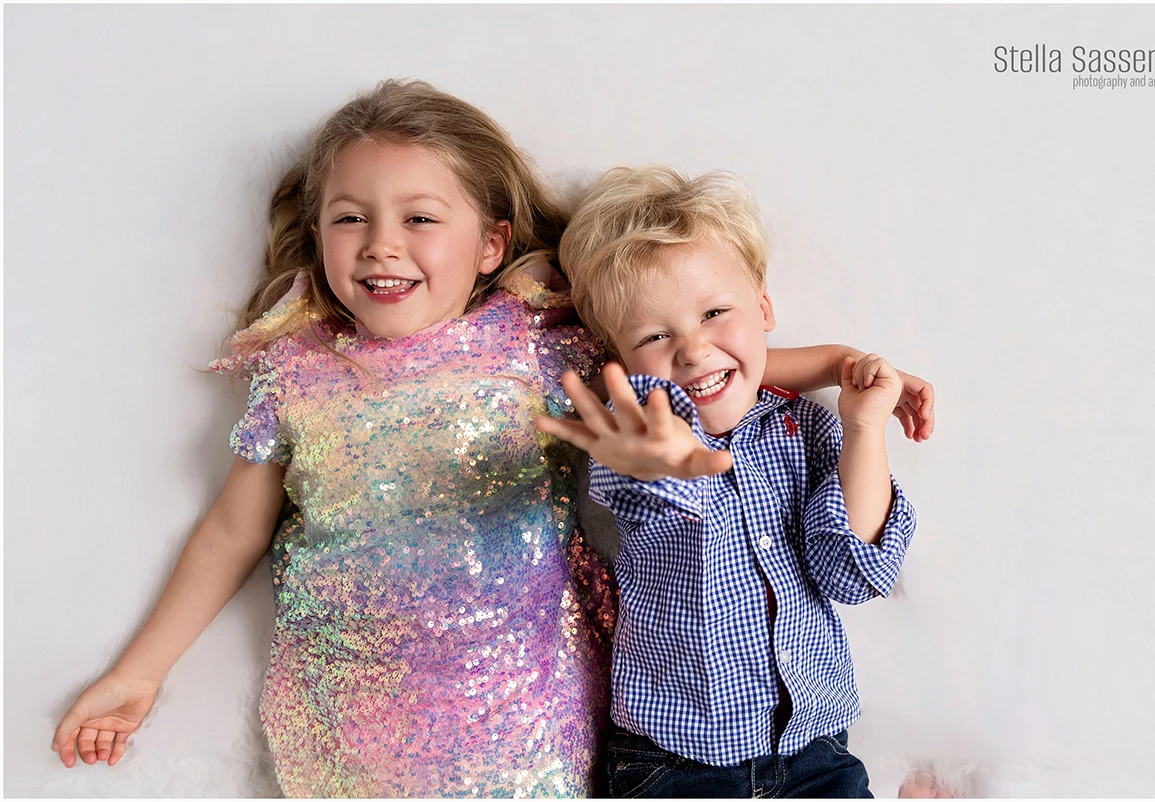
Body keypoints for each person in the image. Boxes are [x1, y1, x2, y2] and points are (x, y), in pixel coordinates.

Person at [51, 81, 933, 798]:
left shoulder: (537, 348)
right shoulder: (296, 373)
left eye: (420, 218)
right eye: (350, 217)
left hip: (530, 723)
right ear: (317, 236)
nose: (380, 244)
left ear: (491, 244)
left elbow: (694, 358)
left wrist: (840, 364)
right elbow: (232, 530)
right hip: (351, 719)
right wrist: (140, 672)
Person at [537, 165, 920, 798]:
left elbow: (856, 575)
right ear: (620, 363)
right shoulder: (628, 442)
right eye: (656, 336)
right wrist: (674, 464)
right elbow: (647, 482)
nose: (692, 350)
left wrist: (864, 426)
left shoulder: (804, 429)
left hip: (813, 752)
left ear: (764, 308)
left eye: (715, 313)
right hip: (674, 766)